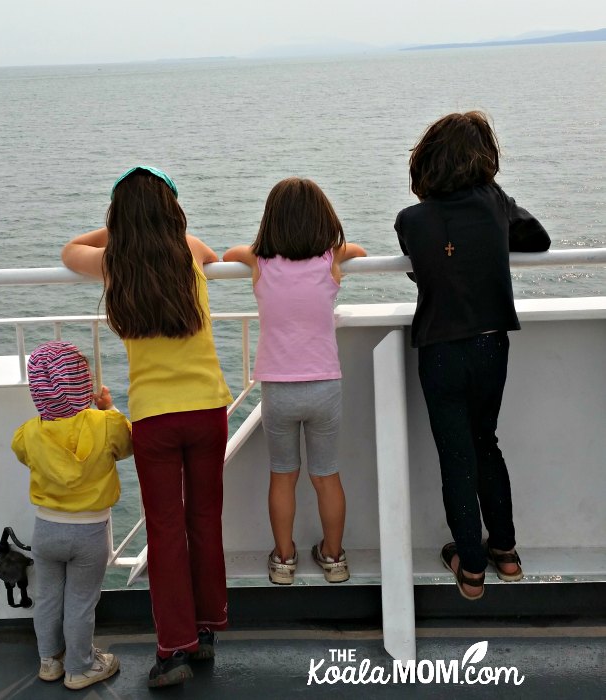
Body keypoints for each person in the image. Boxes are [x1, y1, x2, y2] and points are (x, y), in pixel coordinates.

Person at [60, 165, 233, 688]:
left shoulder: (116, 263)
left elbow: (69, 251)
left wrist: (117, 230)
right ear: (172, 211)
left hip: (155, 418)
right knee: (204, 521)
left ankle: (172, 647)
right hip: (209, 411)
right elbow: (214, 258)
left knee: (164, 532)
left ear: (121, 220)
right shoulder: (191, 249)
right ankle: (206, 630)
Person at [395, 111, 551, 600]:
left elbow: (425, 260)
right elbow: (539, 239)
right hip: (490, 343)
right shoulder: (495, 203)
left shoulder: (411, 219)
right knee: (487, 443)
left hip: (441, 349)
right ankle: (505, 552)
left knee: (456, 456)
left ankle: (471, 566)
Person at [224, 177, 366, 585]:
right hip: (325, 387)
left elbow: (231, 253)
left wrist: (258, 251)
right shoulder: (330, 261)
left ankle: (283, 560)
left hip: (279, 389)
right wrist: (337, 249)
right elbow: (360, 250)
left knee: (282, 475)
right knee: (326, 475)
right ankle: (334, 558)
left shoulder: (260, 264)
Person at [11, 340, 133, 690]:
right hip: (90, 532)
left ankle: (50, 661)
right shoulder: (105, 423)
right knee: (81, 601)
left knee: (49, 596)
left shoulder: (29, 433)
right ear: (82, 381)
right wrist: (108, 408)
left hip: (46, 529)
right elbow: (126, 445)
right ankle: (80, 667)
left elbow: (22, 452)